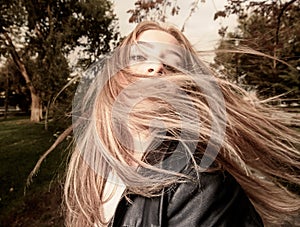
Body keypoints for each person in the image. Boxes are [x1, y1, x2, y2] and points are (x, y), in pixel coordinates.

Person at [65, 21, 300, 226]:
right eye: (139, 56)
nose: (156, 66)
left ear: (184, 88)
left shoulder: (199, 185)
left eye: (171, 62)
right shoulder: (91, 172)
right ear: (116, 76)